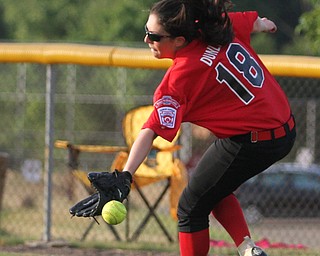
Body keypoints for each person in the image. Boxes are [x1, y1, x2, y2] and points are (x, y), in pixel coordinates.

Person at [122, 0, 296, 255]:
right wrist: (264, 25)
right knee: (211, 185)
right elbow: (257, 23)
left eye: (153, 35)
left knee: (190, 208)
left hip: (253, 141)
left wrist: (125, 174)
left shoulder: (179, 78)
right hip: (284, 128)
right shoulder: (215, 27)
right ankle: (248, 250)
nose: (146, 39)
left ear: (180, 40)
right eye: (146, 31)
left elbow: (150, 131)